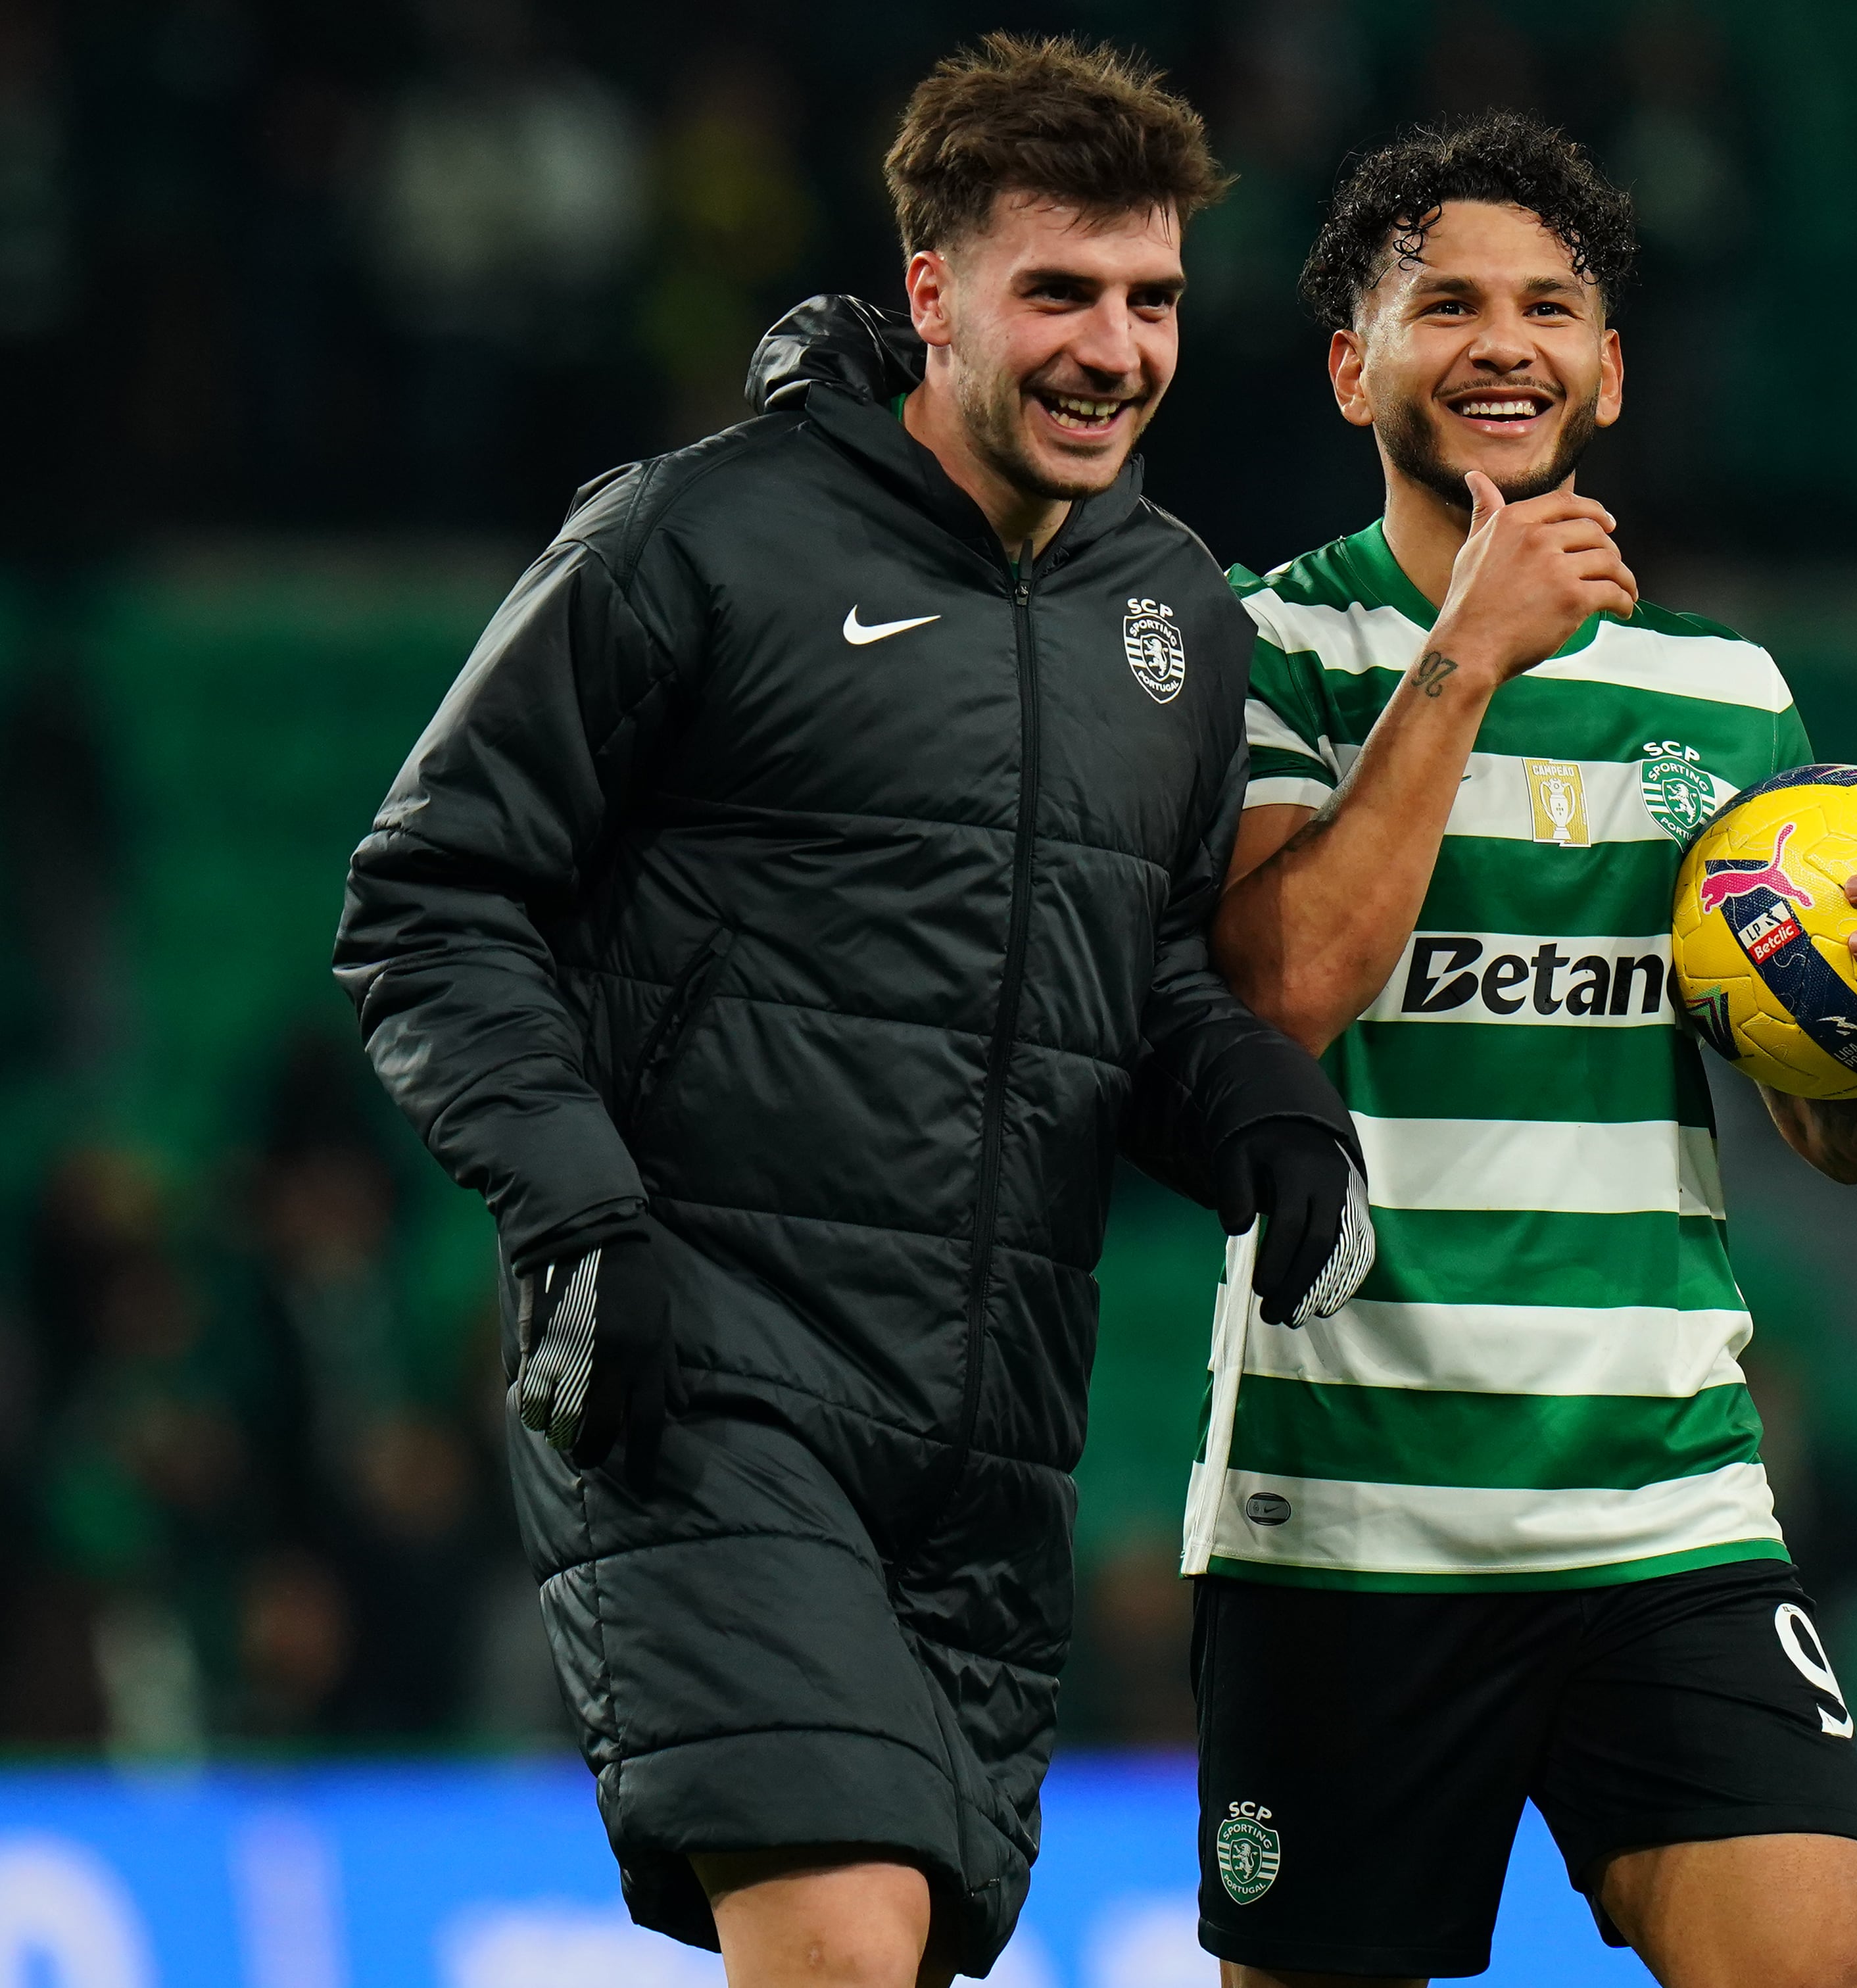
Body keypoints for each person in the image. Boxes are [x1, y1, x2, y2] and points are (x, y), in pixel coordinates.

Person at [333, 36, 1369, 1988]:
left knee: (879, 1953)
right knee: (835, 1934)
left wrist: (1262, 1112)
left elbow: (1120, 967)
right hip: (700, 1369)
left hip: (988, 1431)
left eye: (1148, 299)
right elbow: (431, 896)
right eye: (1055, 292)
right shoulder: (694, 539)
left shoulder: (1172, 614)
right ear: (931, 295)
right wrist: (579, 1210)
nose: (1113, 349)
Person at [1194, 114, 1857, 1988]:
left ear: (1610, 370)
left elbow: (1821, 1134)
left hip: (1662, 1508)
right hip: (1348, 1521)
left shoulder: (1724, 697)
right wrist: (1467, 653)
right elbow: (1279, 1000)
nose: (1504, 338)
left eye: (1551, 304)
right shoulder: (1256, 649)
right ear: (1354, 366)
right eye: (1445, 303)